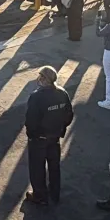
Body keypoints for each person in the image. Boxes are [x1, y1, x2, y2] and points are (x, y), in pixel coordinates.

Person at [24, 65, 74, 205]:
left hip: (39, 139)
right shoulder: (62, 93)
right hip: (55, 137)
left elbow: (31, 120)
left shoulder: (36, 97)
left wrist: (32, 135)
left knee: (37, 168)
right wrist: (60, 128)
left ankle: (39, 196)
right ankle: (55, 192)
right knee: (54, 166)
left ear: (44, 79)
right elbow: (69, 114)